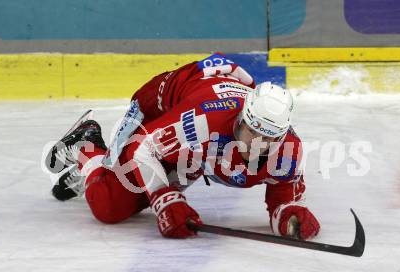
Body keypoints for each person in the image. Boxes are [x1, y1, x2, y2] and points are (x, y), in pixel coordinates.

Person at [45, 53, 320, 240]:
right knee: (109, 206)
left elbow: (284, 200)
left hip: (196, 136)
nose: (258, 144)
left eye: (269, 139)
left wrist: (291, 219)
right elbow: (142, 149)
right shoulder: (200, 123)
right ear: (240, 120)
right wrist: (163, 196)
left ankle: (104, 173)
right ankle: (87, 145)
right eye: (252, 132)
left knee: (137, 194)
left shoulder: (289, 153)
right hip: (160, 102)